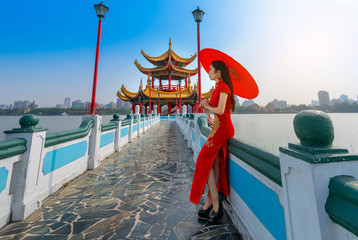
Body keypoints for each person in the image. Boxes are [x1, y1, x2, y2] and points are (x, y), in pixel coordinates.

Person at [189, 60, 235, 221]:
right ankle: (209, 204)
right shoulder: (217, 88)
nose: (208, 72)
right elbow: (215, 110)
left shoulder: (224, 87)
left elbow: (221, 110)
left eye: (210, 70)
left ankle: (216, 202)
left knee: (202, 159)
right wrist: (206, 104)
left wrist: (207, 106)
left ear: (218, 73)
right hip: (216, 128)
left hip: (222, 129)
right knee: (213, 164)